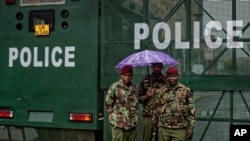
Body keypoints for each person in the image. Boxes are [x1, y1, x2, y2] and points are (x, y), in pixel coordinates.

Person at [153, 66, 196, 141]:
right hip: (164, 127)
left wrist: (191, 127)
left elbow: (192, 109)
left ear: (177, 76)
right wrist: (155, 127)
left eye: (174, 76)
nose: (172, 78)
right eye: (170, 76)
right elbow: (156, 108)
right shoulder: (162, 91)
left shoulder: (185, 90)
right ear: (167, 77)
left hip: (179, 127)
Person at [105, 65, 139, 141]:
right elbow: (108, 102)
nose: (127, 77)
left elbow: (138, 100)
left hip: (132, 124)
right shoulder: (115, 87)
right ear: (121, 75)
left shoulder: (134, 88)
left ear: (132, 76)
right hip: (119, 124)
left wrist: (148, 95)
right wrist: (111, 111)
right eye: (124, 75)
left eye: (129, 75)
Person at [139, 62, 166, 141]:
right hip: (149, 114)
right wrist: (147, 96)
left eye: (158, 66)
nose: (156, 68)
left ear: (162, 67)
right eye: (155, 66)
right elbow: (139, 99)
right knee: (147, 138)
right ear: (151, 67)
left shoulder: (166, 80)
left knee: (161, 138)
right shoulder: (145, 80)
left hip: (162, 115)